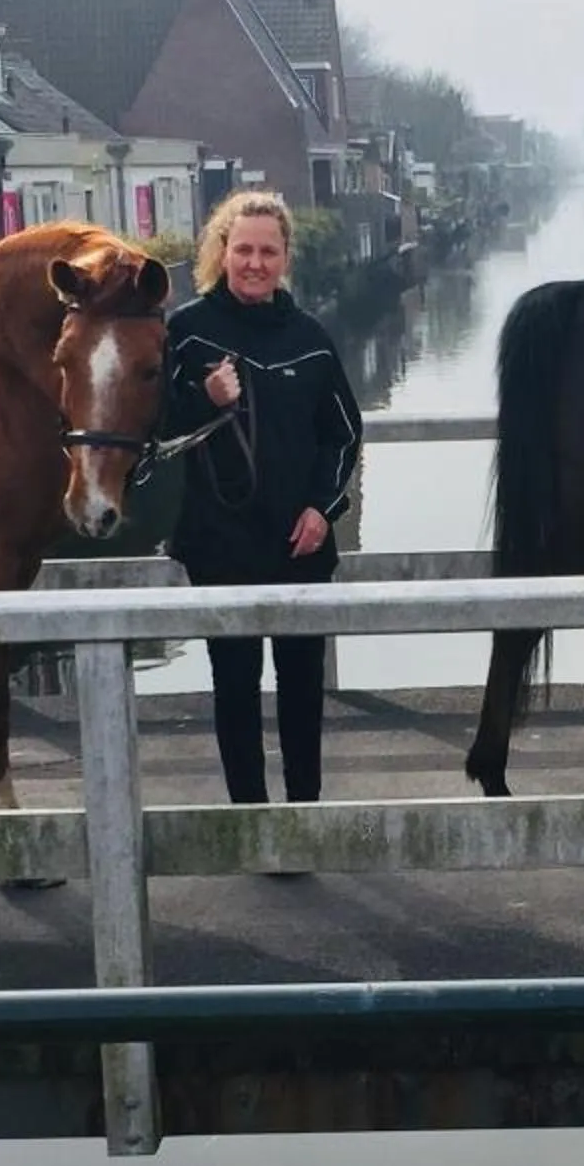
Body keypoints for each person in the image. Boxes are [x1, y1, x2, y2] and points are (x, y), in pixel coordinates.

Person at [159, 190, 365, 810]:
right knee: (236, 685)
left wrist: (322, 511)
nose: (255, 263)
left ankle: (303, 814)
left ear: (285, 258)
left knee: (303, 687)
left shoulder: (311, 335)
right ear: (221, 253)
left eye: (267, 251)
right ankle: (249, 818)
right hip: (220, 544)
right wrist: (205, 399)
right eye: (243, 249)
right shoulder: (186, 334)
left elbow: (344, 432)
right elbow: (153, 432)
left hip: (299, 543)